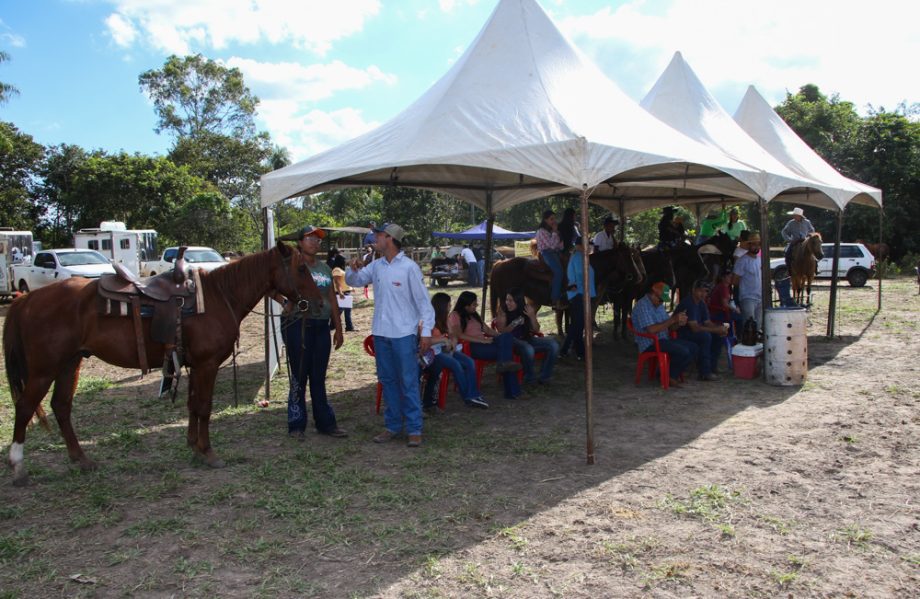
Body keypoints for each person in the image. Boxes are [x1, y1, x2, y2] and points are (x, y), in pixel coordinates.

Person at [346, 223, 434, 448]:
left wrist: (425, 333)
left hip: (404, 334)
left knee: (408, 381)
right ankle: (393, 425)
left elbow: (425, 304)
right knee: (387, 381)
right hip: (381, 333)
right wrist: (353, 269)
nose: (374, 238)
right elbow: (353, 281)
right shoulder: (376, 266)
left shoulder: (409, 268)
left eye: (378, 235)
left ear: (390, 238)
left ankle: (414, 428)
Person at [275, 225, 347, 440]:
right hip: (298, 325)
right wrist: (284, 302)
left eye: (317, 239)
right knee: (299, 375)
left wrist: (339, 327)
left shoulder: (325, 269)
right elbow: (270, 286)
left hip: (321, 326)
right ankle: (296, 424)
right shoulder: (290, 266)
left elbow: (332, 298)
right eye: (310, 238)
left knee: (318, 376)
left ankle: (325, 423)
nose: (315, 242)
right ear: (300, 242)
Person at [448, 291, 522, 400]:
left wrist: (501, 338)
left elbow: (487, 330)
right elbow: (459, 335)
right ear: (466, 305)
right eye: (474, 304)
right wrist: (481, 340)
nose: (476, 306)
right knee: (507, 356)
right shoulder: (455, 315)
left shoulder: (474, 315)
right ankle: (512, 392)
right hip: (473, 346)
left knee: (506, 342)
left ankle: (503, 367)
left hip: (486, 343)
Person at [422, 292, 487, 411]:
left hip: (445, 349)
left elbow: (452, 334)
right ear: (442, 306)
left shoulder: (445, 318)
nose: (450, 306)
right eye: (448, 304)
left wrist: (453, 341)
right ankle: (468, 397)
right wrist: (442, 340)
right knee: (456, 365)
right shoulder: (429, 319)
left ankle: (473, 394)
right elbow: (425, 341)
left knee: (469, 362)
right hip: (433, 353)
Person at [632, 282, 696, 384]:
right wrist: (672, 320)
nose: (661, 303)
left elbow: (670, 327)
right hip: (650, 343)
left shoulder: (658, 305)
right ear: (653, 294)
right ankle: (667, 376)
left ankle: (667, 374)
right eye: (661, 300)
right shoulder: (642, 306)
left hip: (663, 340)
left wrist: (678, 323)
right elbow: (651, 330)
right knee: (683, 351)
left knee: (693, 348)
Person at [495, 287, 559, 384]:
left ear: (518, 301)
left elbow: (536, 329)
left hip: (526, 338)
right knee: (528, 349)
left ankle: (544, 377)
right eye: (507, 300)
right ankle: (530, 378)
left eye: (511, 300)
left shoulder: (525, 309)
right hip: (511, 341)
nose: (508, 303)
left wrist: (532, 316)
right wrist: (514, 323)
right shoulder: (503, 310)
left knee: (553, 345)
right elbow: (501, 332)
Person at [677, 279, 729, 380]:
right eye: (700, 291)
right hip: (684, 332)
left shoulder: (701, 303)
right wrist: (715, 330)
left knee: (718, 336)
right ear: (694, 290)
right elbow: (695, 328)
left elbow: (707, 322)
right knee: (705, 337)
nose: (703, 294)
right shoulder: (688, 303)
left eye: (705, 291)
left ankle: (712, 367)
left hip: (695, 331)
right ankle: (705, 372)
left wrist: (719, 328)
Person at [560, 238, 596, 361]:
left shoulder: (582, 257)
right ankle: (578, 352)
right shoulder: (578, 257)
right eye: (586, 245)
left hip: (583, 294)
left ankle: (567, 350)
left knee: (577, 324)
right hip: (579, 295)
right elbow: (581, 274)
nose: (589, 247)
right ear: (580, 246)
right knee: (578, 324)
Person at [732, 231, 763, 330]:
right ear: (749, 245)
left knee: (757, 327)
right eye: (754, 244)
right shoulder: (742, 261)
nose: (756, 247)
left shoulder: (759, 259)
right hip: (747, 297)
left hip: (759, 297)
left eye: (758, 244)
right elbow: (735, 280)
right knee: (749, 326)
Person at [535, 209, 565, 309]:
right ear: (545, 220)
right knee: (559, 272)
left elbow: (560, 246)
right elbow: (551, 246)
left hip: (555, 252)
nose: (554, 221)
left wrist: (557, 234)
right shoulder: (541, 232)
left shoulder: (551, 231)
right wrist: (556, 233)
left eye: (554, 219)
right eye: (551, 219)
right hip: (546, 253)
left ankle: (563, 295)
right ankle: (554, 300)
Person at [331, 264, 355, 332]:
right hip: (342, 293)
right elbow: (336, 281)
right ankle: (332, 325)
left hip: (345, 292)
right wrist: (340, 292)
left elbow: (342, 281)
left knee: (347, 311)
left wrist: (350, 288)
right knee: (339, 311)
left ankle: (349, 327)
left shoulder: (340, 270)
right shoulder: (337, 270)